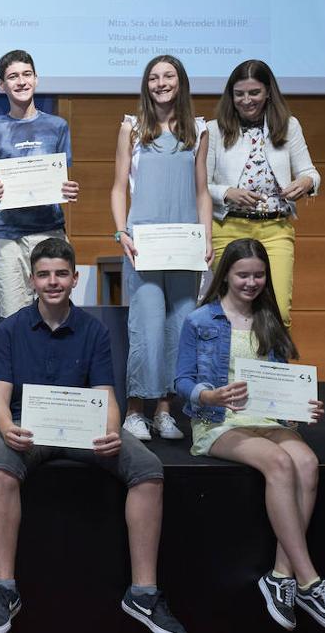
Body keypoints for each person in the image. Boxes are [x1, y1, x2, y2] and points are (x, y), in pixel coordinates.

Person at [0, 238, 186, 633]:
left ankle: (143, 593)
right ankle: (4, 589)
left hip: (84, 428)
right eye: (44, 275)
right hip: (27, 428)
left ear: (75, 279)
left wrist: (111, 431)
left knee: (148, 468)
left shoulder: (94, 330)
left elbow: (106, 393)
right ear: (32, 280)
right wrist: (7, 429)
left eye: (61, 274)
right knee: (1, 470)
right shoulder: (11, 329)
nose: (52, 282)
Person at [175, 238, 325, 632]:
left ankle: (280, 576)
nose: (251, 282)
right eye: (243, 275)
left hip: (267, 418)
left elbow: (279, 381)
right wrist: (209, 395)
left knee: (306, 462)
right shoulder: (199, 320)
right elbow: (182, 381)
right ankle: (309, 581)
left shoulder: (268, 317)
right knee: (279, 462)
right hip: (219, 419)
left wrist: (300, 409)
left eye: (258, 275)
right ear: (226, 275)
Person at [109, 54, 212, 443]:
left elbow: (202, 191)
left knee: (179, 325)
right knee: (146, 326)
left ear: (180, 82)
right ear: (146, 84)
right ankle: (135, 410)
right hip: (144, 245)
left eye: (168, 76)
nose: (161, 83)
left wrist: (207, 237)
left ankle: (164, 411)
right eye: (154, 77)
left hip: (185, 246)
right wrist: (122, 232)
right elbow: (118, 186)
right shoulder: (132, 128)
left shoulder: (198, 130)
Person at [207, 60, 320, 328]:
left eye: (254, 92)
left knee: (278, 312)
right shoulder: (213, 129)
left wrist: (306, 182)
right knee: (230, 314)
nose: (246, 100)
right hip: (228, 228)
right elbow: (200, 185)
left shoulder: (289, 125)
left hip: (275, 229)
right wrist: (227, 192)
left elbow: (310, 172)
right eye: (239, 94)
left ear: (268, 92)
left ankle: (272, 358)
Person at [0, 49, 81, 317]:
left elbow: (60, 179)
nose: (21, 82)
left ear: (36, 79)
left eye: (27, 74)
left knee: (54, 313)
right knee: (14, 318)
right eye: (13, 77)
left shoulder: (57, 126)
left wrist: (68, 189)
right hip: (6, 237)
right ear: (2, 85)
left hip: (49, 231)